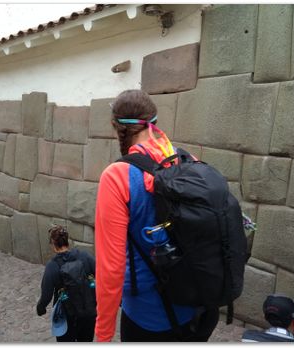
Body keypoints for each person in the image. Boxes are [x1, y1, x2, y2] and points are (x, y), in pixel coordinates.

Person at [94, 89, 220, 342]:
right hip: (197, 309)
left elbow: (111, 268)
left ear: (116, 126)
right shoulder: (187, 160)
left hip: (148, 319)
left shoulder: (117, 176)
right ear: (154, 122)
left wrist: (103, 334)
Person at [36, 225, 96, 342]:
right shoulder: (85, 256)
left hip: (67, 316)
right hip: (88, 312)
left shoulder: (52, 266)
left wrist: (40, 308)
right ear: (67, 240)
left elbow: (46, 295)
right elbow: (102, 275)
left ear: (53, 243)